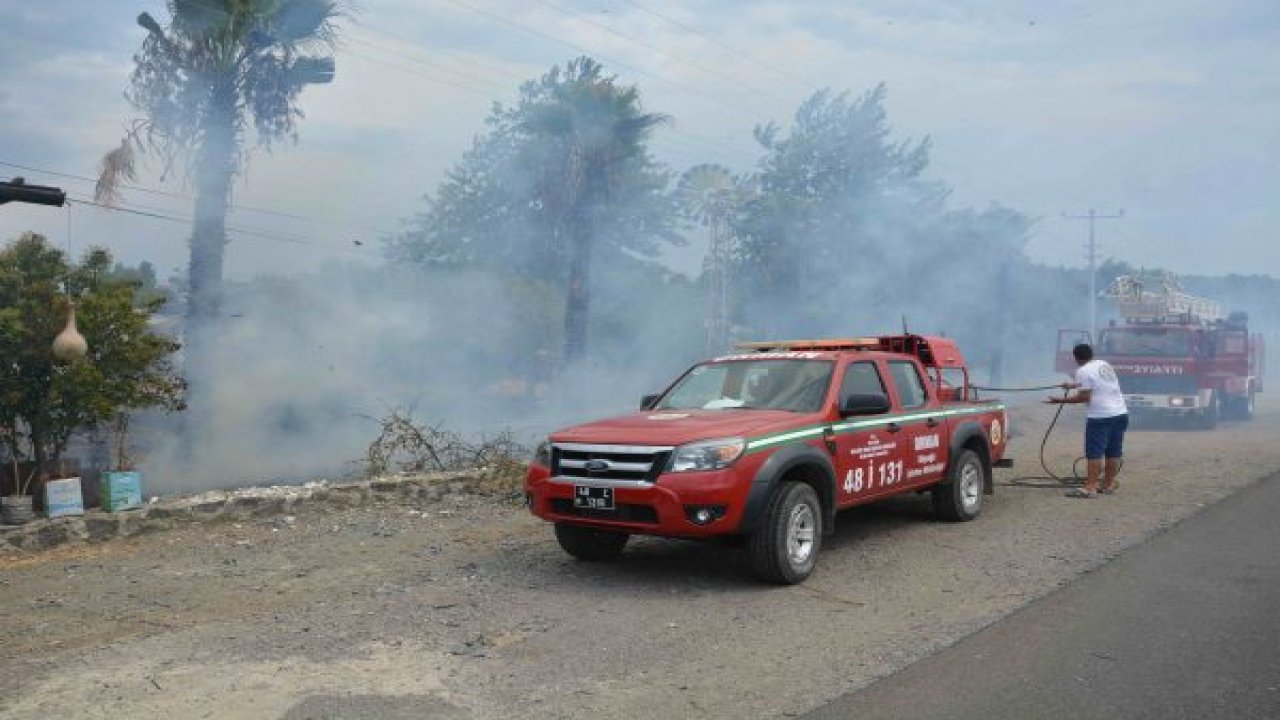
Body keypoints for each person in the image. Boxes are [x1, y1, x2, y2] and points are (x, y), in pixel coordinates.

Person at [1046, 343, 1128, 498]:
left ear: (1075, 358)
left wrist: (1059, 401)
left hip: (1100, 416)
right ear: (1091, 354)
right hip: (1120, 413)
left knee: (1094, 453)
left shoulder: (1082, 371)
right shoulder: (1104, 364)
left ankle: (1090, 487)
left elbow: (1084, 397)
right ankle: (1108, 484)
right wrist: (1072, 385)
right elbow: (1097, 383)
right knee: (1113, 451)